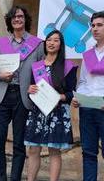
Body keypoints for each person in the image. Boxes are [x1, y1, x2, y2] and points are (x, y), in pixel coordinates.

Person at [0, 5, 44, 181]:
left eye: (20, 16)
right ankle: (1, 178)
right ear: (10, 21)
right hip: (2, 96)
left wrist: (35, 86)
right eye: (13, 17)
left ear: (25, 19)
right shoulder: (1, 43)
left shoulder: (37, 44)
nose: (17, 19)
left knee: (19, 144)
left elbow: (41, 72)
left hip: (23, 97)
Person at [24, 30, 77, 181]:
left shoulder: (68, 66)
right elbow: (33, 88)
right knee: (34, 149)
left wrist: (59, 96)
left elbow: (72, 92)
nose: (51, 43)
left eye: (56, 40)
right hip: (38, 111)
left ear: (61, 45)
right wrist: (30, 89)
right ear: (45, 43)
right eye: (49, 40)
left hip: (58, 112)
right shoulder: (37, 66)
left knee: (54, 151)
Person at [72, 11, 104, 181]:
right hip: (87, 109)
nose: (95, 29)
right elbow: (83, 81)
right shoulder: (88, 55)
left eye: (99, 25)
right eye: (92, 25)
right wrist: (79, 97)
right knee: (89, 152)